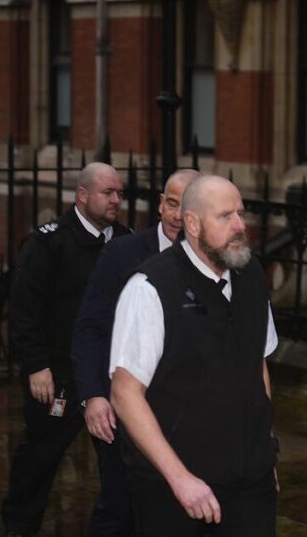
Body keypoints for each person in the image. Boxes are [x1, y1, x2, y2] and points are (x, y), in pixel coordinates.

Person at [110, 175, 279, 536]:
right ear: (193, 223)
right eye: (225, 216)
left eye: (240, 213)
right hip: (175, 488)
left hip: (252, 482)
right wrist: (180, 478)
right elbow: (125, 394)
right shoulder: (150, 287)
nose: (240, 225)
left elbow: (258, 366)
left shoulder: (252, 276)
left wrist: (266, 453)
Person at [2, 162, 131, 537]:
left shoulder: (125, 241)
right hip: (58, 373)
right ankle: (19, 526)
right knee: (40, 455)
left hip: (108, 374)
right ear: (83, 195)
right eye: (108, 192)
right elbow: (24, 308)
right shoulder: (49, 243)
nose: (116, 200)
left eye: (120, 193)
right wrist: (36, 365)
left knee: (120, 459)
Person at [71, 169, 199, 536]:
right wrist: (93, 396)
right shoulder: (122, 252)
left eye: (186, 207)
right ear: (159, 204)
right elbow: (91, 327)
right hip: (124, 411)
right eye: (171, 204)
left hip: (186, 415)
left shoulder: (211, 259)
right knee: (119, 509)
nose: (177, 215)